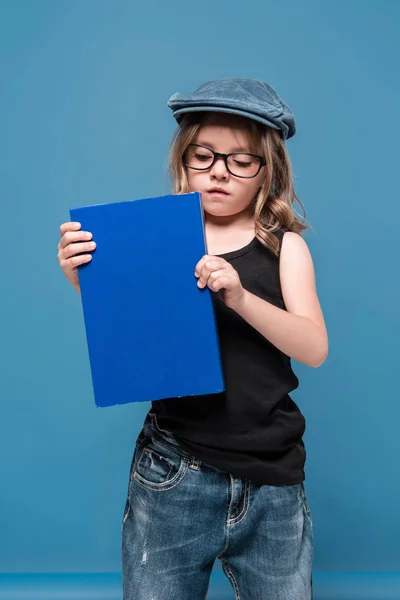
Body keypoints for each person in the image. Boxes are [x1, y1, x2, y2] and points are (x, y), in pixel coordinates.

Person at [57, 78, 328, 600]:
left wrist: (240, 296)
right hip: (174, 468)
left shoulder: (285, 246)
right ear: (183, 163)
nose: (220, 171)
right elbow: (132, 331)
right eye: (204, 156)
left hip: (273, 475)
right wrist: (86, 279)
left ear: (267, 171)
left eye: (240, 161)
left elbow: (313, 348)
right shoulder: (156, 238)